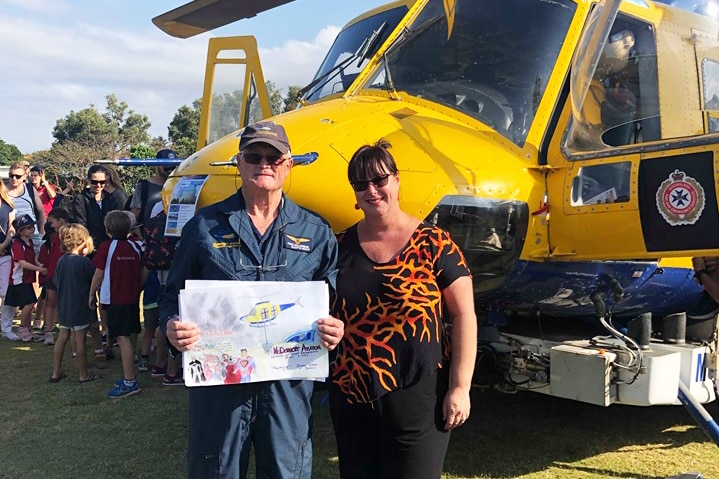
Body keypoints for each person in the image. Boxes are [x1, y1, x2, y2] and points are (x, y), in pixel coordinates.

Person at [158, 120, 344, 479]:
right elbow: (173, 295)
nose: (264, 164)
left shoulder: (316, 231)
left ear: (288, 165)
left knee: (286, 472)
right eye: (254, 156)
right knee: (216, 471)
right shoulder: (203, 226)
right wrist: (171, 328)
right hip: (219, 388)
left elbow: (334, 304)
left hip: (287, 386)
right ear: (238, 163)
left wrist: (336, 330)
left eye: (274, 158)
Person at [329, 140, 477, 479]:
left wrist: (459, 387)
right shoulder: (338, 247)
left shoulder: (434, 243)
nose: (372, 190)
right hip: (353, 394)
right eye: (361, 184)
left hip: (419, 392)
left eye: (379, 180)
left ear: (396, 180)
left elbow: (464, 315)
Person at [89, 211, 145, 398]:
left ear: (108, 229)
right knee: (128, 335)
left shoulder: (106, 247)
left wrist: (91, 294)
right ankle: (130, 374)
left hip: (114, 299)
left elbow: (98, 273)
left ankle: (130, 381)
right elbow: (145, 268)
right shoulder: (136, 246)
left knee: (122, 339)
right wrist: (138, 287)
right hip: (131, 299)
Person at [140, 202, 182, 385]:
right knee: (177, 323)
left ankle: (159, 364)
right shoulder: (187, 211)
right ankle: (172, 373)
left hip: (161, 275)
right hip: (179, 275)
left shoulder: (157, 208)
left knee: (164, 321)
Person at [50, 223, 97, 383]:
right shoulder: (83, 262)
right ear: (81, 242)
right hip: (81, 306)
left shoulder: (61, 261)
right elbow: (93, 281)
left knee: (62, 337)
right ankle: (83, 374)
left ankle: (56, 372)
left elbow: (57, 282)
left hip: (64, 306)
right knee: (80, 339)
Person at [0, 214, 47, 343]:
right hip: (18, 279)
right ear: (20, 231)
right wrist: (40, 269)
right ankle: (22, 328)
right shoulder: (17, 245)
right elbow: (22, 263)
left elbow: (31, 259)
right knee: (29, 303)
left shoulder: (30, 242)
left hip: (27, 278)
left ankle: (28, 328)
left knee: (31, 302)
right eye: (28, 228)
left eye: (32, 227)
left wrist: (39, 264)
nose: (32, 229)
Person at [129, 149, 176, 225]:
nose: (170, 171)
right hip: (147, 234)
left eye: (173, 167)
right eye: (166, 168)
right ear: (157, 166)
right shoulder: (143, 186)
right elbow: (134, 215)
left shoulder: (179, 185)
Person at [7, 163, 46, 253]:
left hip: (33, 233)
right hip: (13, 236)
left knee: (36, 262)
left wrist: (42, 231)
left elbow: (41, 211)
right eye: (11, 175)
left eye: (18, 176)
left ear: (24, 177)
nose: (14, 178)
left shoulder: (30, 189)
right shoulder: (3, 191)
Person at [0, 181, 17, 340]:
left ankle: (6, 328)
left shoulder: (7, 204)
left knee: (6, 293)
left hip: (5, 252)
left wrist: (5, 243)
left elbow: (12, 227)